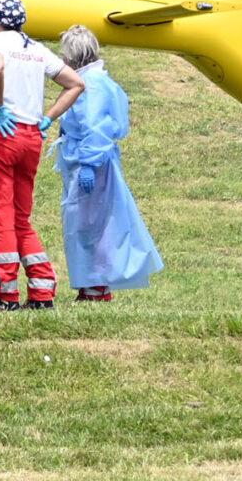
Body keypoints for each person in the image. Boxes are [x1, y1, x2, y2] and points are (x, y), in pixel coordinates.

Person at [0, 0, 86, 310]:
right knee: (21, 216)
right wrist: (48, 118)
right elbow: (75, 83)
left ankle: (5, 292)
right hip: (31, 136)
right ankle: (42, 287)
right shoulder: (36, 49)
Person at [54, 25, 164, 301]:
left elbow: (95, 126)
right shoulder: (95, 80)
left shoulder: (91, 85)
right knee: (90, 222)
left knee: (90, 224)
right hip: (86, 160)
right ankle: (92, 282)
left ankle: (96, 285)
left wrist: (89, 162)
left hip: (91, 162)